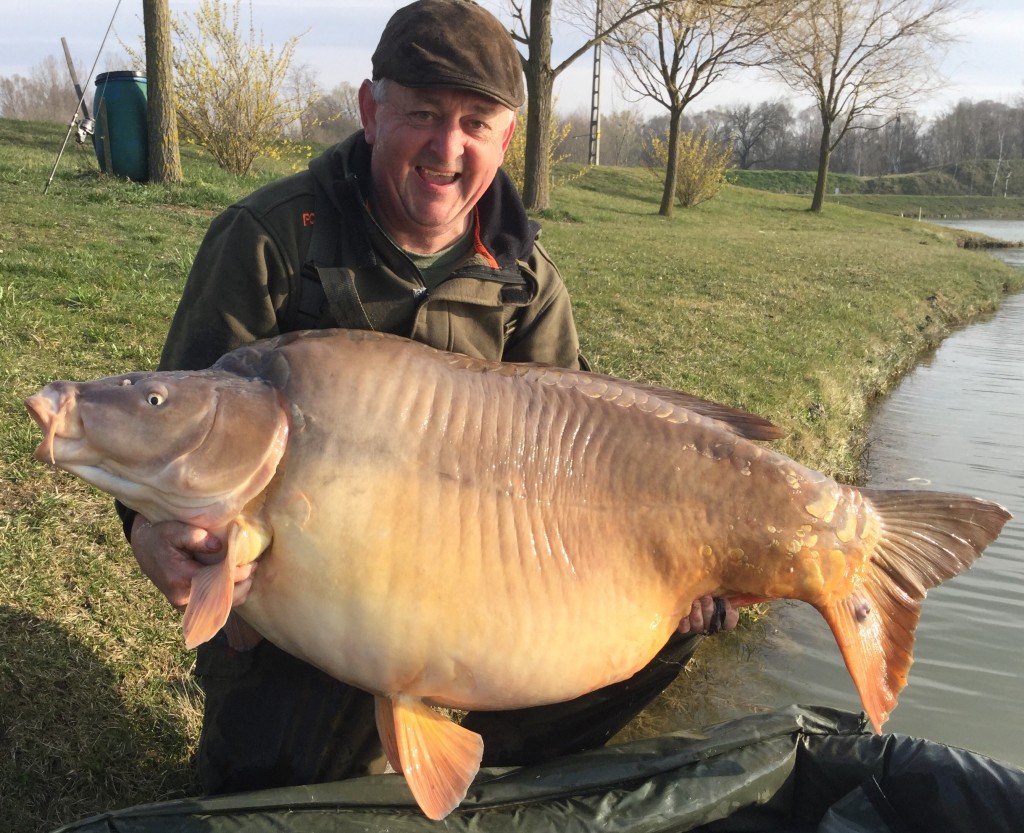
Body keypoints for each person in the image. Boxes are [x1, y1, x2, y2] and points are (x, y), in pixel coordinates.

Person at [120, 0, 737, 795]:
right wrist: (149, 530)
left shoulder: (528, 284)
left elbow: (584, 471)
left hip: (484, 588)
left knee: (656, 629)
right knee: (282, 787)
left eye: (477, 123)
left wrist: (670, 573)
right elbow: (171, 428)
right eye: (423, 114)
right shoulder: (271, 238)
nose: (448, 148)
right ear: (371, 111)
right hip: (311, 605)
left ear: (508, 138)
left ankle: (497, 766)